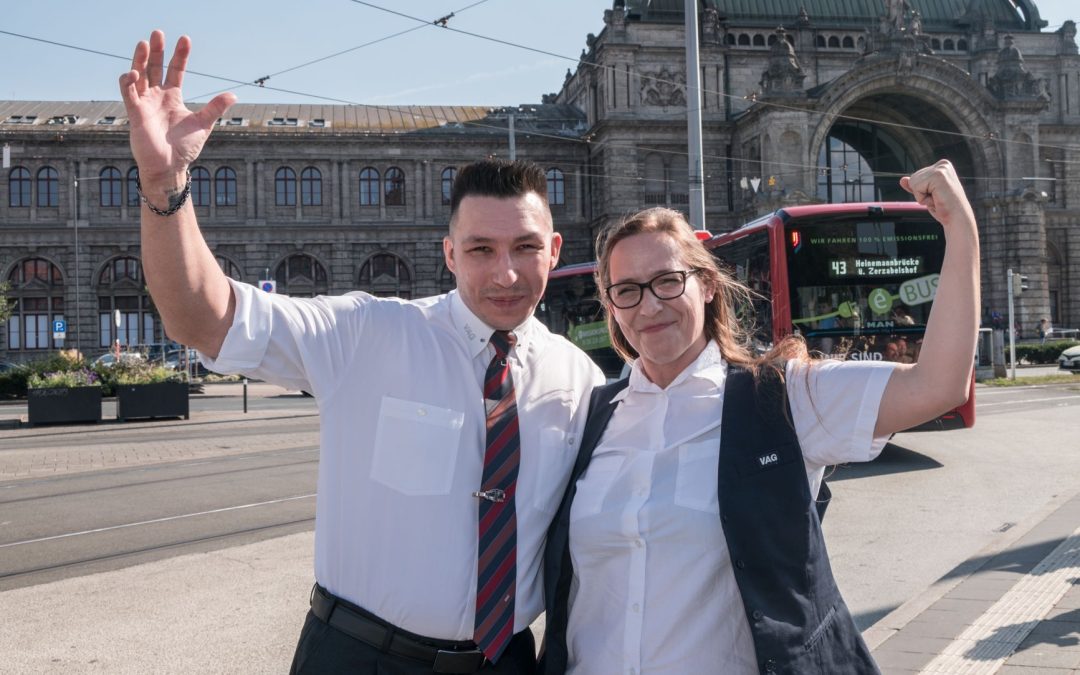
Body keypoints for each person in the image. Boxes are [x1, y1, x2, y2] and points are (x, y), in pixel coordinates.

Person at [119, 31, 604, 674]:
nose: (506, 275)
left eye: (524, 248)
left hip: (507, 662)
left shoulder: (581, 378)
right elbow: (200, 315)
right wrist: (164, 184)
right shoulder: (365, 333)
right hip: (359, 657)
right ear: (450, 254)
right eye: (482, 250)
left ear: (555, 251)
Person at [542, 159, 979, 674]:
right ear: (611, 305)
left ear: (706, 285)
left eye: (667, 281)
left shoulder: (785, 396)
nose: (649, 306)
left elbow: (937, 386)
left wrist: (961, 229)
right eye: (627, 290)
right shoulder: (591, 418)